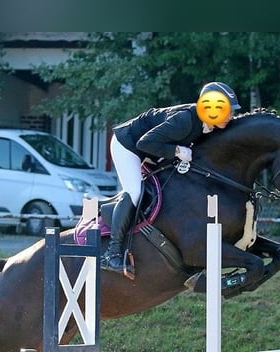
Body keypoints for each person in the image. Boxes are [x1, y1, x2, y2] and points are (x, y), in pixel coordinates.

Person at [100, 81, 241, 276]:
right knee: (135, 192)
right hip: (129, 144)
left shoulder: (210, 126)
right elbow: (144, 143)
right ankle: (111, 253)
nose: (231, 116)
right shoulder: (184, 120)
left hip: (152, 149)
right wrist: (176, 151)